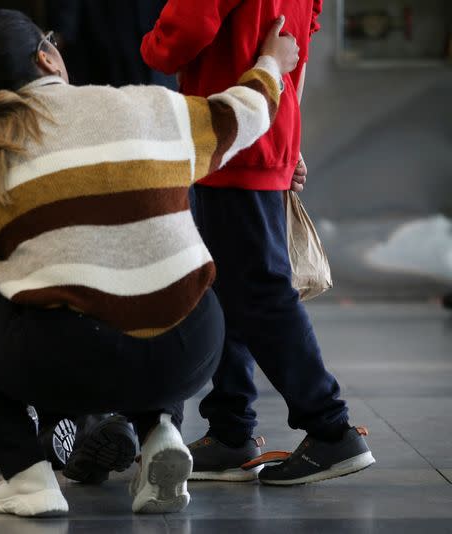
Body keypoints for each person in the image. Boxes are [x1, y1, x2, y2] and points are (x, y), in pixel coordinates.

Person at [0, 9, 298, 516]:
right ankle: (161, 431)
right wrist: (272, 65)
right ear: (47, 56)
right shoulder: (145, 105)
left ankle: (28, 479)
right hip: (193, 348)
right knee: (150, 284)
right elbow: (242, 114)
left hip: (71, 363)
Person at [142, 0, 375, 485]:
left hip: (228, 134)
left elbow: (177, 38)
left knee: (260, 290)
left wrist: (149, 42)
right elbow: (300, 48)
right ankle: (230, 429)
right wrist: (285, 129)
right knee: (231, 287)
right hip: (263, 129)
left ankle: (330, 428)